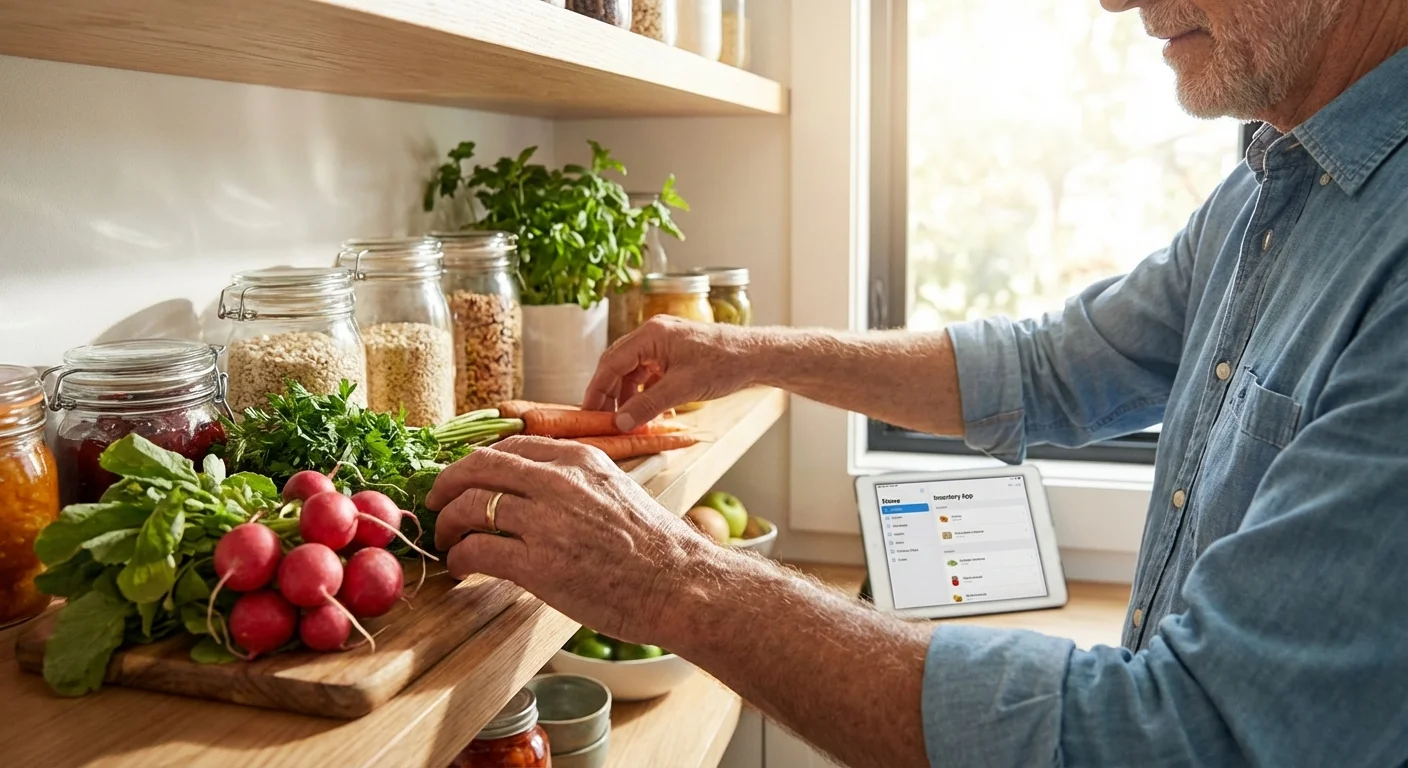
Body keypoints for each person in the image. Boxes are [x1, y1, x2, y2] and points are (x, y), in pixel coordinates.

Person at [428, 0, 1408, 765]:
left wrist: (667, 579)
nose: (1114, 7)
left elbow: (1186, 743)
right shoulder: (1262, 197)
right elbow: (1042, 369)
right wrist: (748, 353)